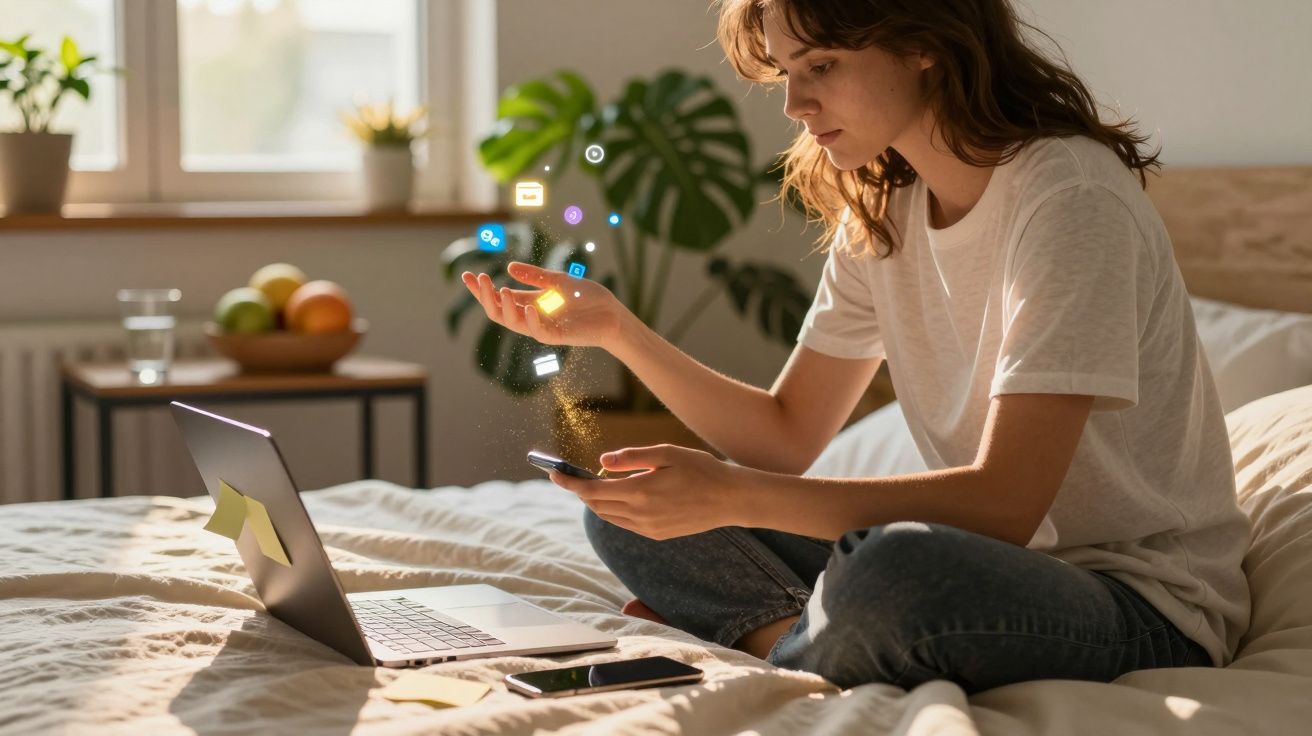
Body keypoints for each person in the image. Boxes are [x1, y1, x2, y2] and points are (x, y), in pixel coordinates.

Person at [460, 0, 1250, 693]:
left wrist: (732, 495)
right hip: (987, 567)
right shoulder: (884, 208)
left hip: (1133, 603)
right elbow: (784, 435)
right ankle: (800, 642)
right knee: (630, 503)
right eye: (786, 72)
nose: (796, 103)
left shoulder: (1068, 197)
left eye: (823, 65)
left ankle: (774, 641)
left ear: (923, 39)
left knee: (891, 572)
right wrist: (617, 332)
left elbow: (1006, 505)